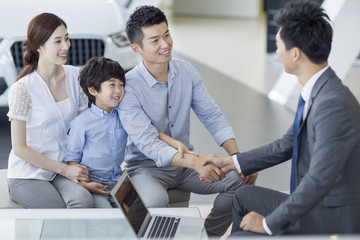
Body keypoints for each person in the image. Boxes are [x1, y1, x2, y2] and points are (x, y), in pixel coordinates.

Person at [203, 0, 360, 236]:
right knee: (243, 195)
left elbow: (318, 180)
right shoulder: (318, 89)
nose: (277, 51)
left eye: (279, 46)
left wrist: (267, 224)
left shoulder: (333, 105)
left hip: (327, 219)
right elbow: (287, 144)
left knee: (242, 235)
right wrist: (231, 163)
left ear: (295, 54)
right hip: (314, 205)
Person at [117, 5, 258, 236]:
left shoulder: (186, 72)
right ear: (136, 48)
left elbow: (212, 116)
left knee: (238, 182)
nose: (165, 44)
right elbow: (148, 143)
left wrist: (236, 158)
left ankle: (208, 235)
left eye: (167, 34)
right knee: (155, 202)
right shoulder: (129, 87)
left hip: (186, 165)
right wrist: (195, 162)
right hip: (146, 168)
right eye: (155, 40)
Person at [65, 56, 197, 208]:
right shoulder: (81, 123)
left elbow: (148, 131)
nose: (118, 91)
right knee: (109, 215)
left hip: (119, 181)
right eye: (112, 85)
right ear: (93, 90)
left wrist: (175, 143)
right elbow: (72, 160)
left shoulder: (123, 115)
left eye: (121, 85)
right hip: (93, 183)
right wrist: (85, 185)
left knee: (141, 210)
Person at [6, 13, 93, 208]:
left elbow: (82, 130)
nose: (66, 46)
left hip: (61, 168)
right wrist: (65, 170)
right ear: (39, 47)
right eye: (58, 41)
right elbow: (20, 148)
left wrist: (79, 169)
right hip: (27, 174)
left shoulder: (76, 76)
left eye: (67, 38)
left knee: (83, 201)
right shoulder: (23, 88)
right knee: (58, 212)